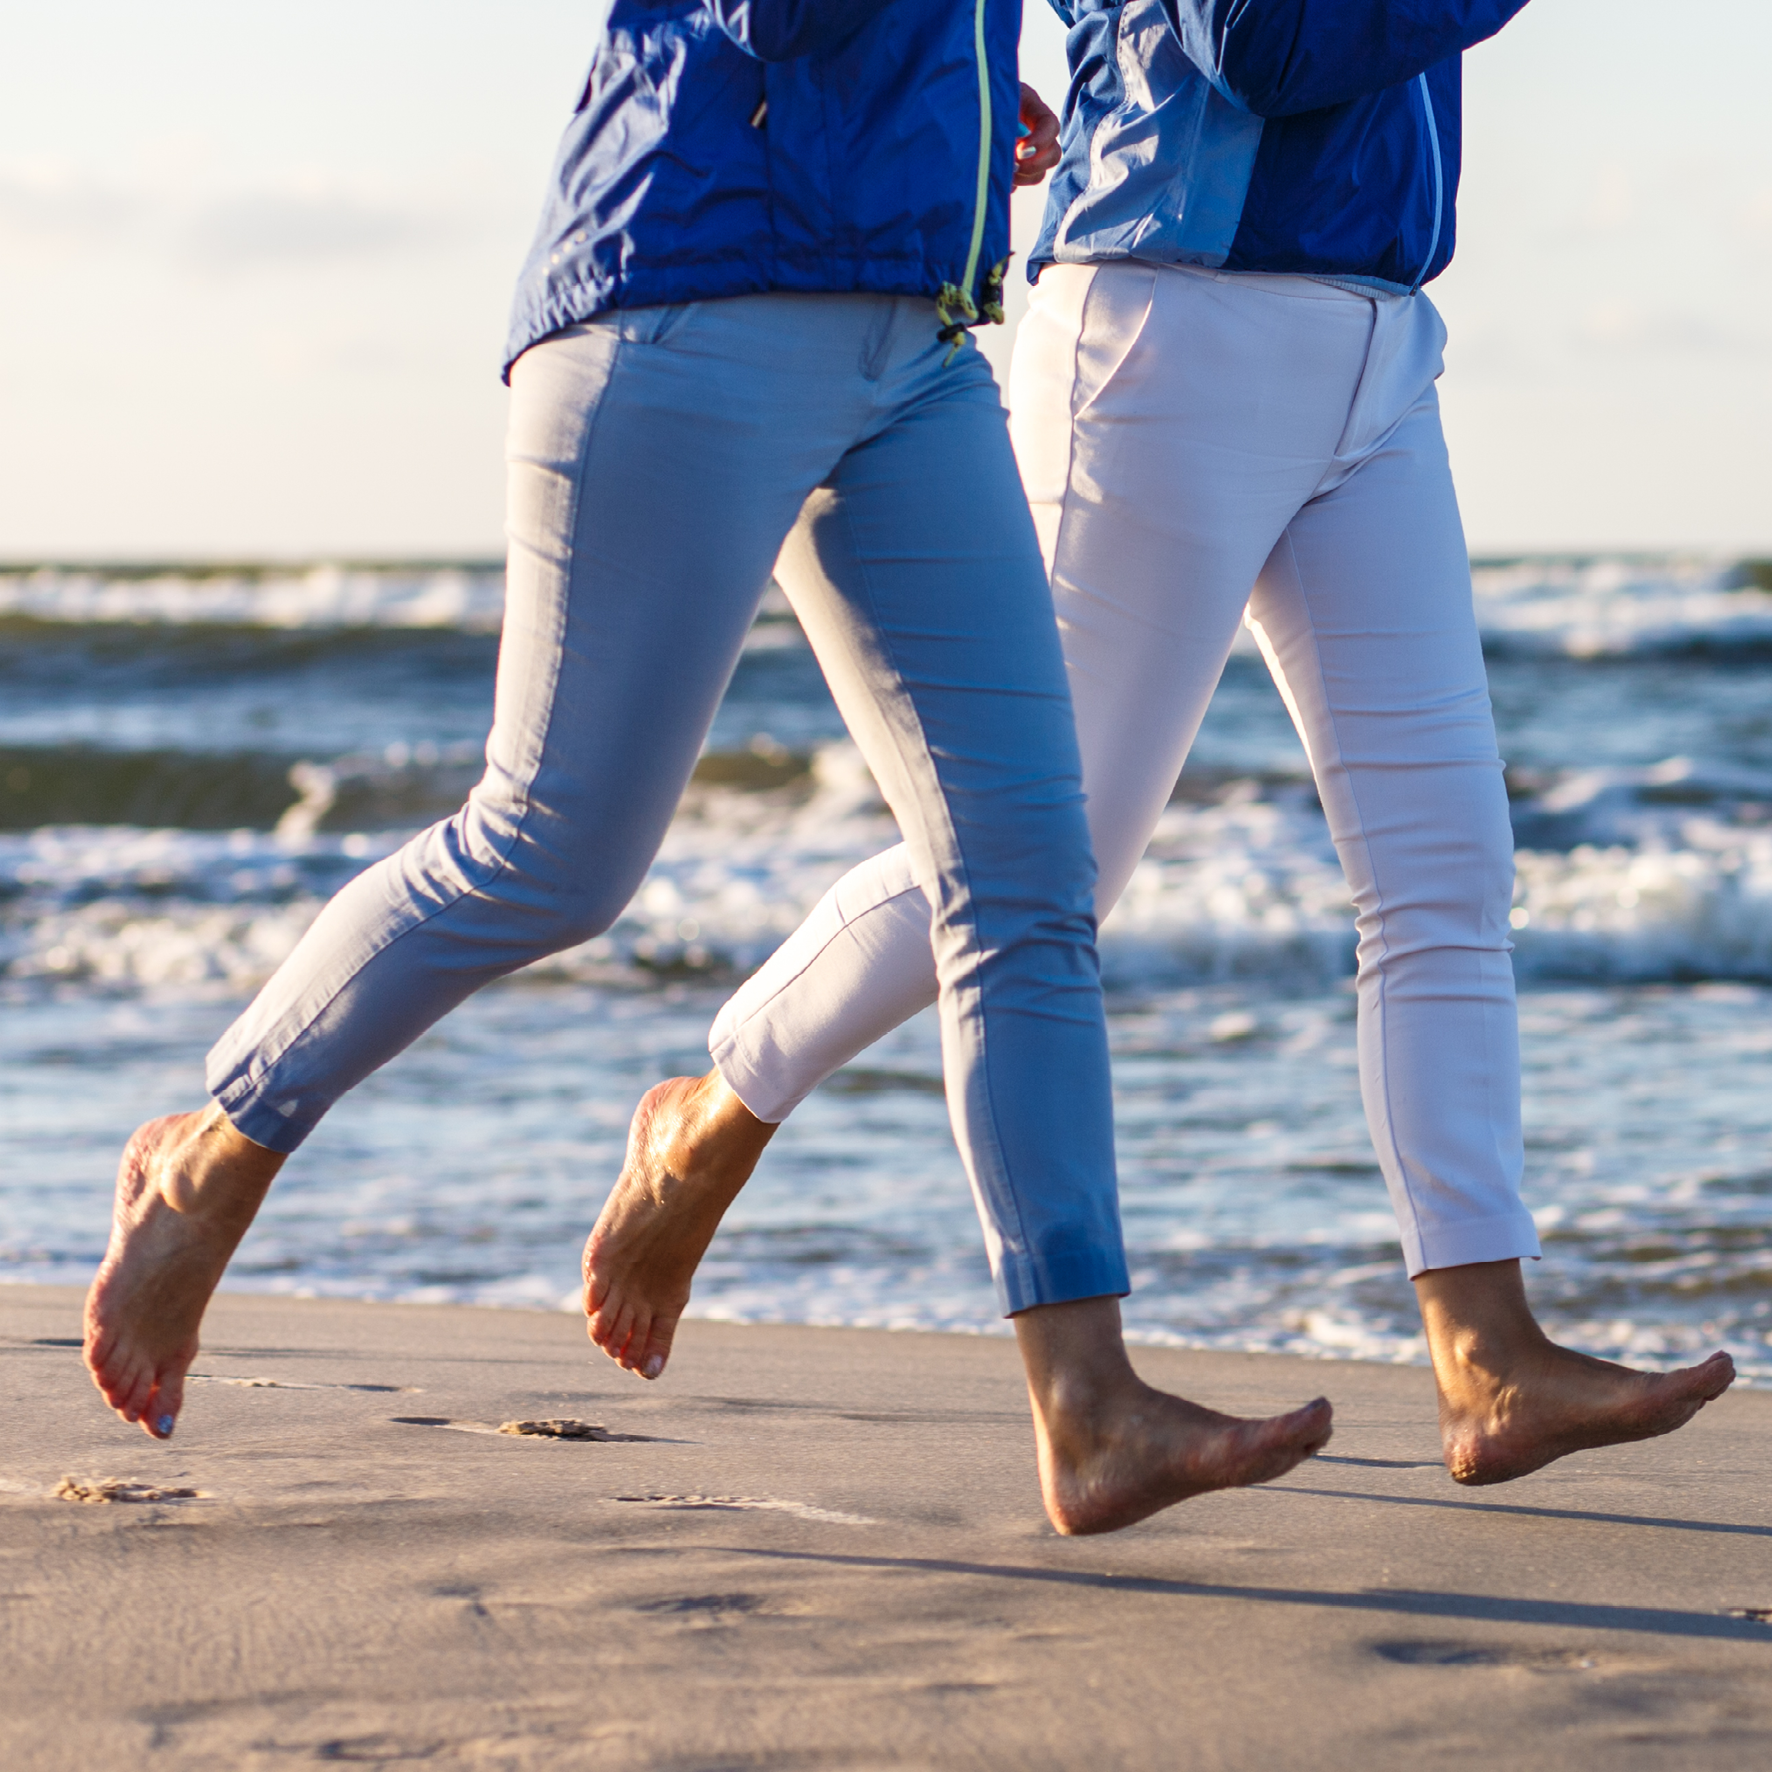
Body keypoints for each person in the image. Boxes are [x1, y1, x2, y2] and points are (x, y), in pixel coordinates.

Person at [84, 0, 1334, 1538]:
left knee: (1027, 870)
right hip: (679, 307)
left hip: (917, 349)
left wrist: (945, 90)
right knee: (553, 851)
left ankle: (1087, 1402)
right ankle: (212, 1156)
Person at [582, 0, 1735, 1487]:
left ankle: (1487, 1354)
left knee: (1447, 867)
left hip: (1377, 341)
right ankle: (716, 1108)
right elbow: (1260, 42)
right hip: (1160, 320)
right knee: (1047, 857)